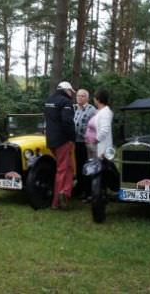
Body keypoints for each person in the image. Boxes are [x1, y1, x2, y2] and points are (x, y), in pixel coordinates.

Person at [44, 81, 76, 209]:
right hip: (62, 140)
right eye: (70, 92)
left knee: (69, 167)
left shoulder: (48, 100)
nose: (71, 94)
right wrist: (72, 138)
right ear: (66, 90)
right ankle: (57, 201)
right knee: (62, 169)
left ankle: (66, 192)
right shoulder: (66, 102)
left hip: (50, 139)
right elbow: (67, 122)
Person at [73, 89, 96, 200]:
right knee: (78, 166)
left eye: (82, 96)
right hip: (76, 142)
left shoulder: (92, 110)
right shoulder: (75, 109)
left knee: (87, 166)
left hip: (87, 143)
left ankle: (89, 192)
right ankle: (80, 188)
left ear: (87, 98)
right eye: (78, 96)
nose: (79, 98)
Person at [93, 89, 113, 158]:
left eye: (94, 98)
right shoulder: (100, 112)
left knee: (104, 167)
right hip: (100, 146)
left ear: (98, 100)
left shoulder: (105, 112)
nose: (94, 100)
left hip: (104, 147)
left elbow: (105, 130)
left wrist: (95, 140)